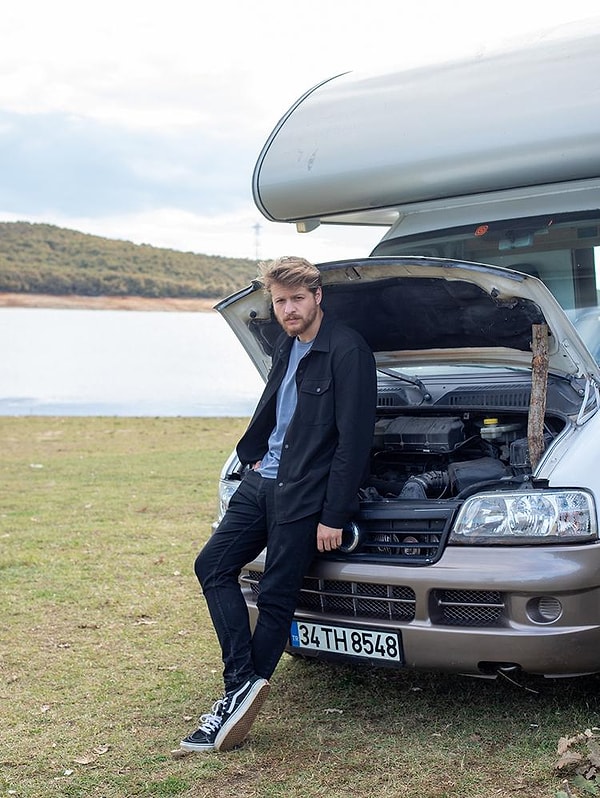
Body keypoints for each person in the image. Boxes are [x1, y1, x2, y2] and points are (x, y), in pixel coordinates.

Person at [180, 255, 377, 753]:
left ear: (317, 297)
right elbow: (275, 413)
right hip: (262, 480)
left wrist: (335, 514)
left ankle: (233, 702)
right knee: (212, 565)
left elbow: (354, 441)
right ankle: (244, 682)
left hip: (304, 493)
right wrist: (249, 460)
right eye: (280, 301)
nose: (288, 309)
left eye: (296, 299)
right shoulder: (286, 346)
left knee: (275, 593)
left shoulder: (347, 351)